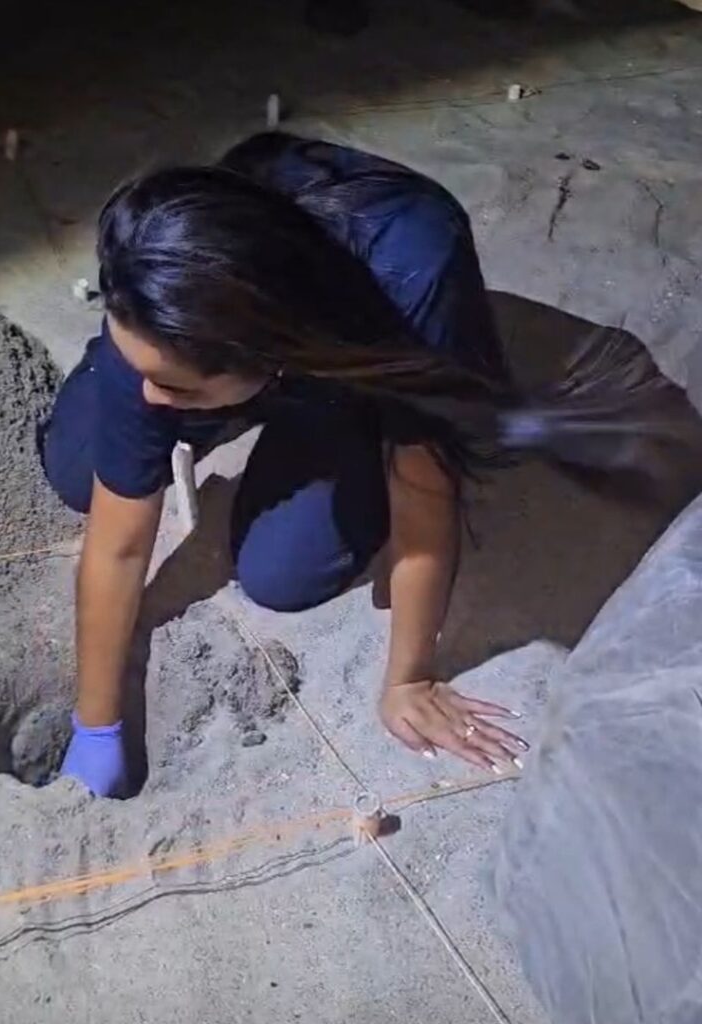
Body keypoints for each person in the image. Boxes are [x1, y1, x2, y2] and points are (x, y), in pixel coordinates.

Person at [38, 131, 664, 798]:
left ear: (268, 359)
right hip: (227, 330)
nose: (150, 401)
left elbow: (424, 486)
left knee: (282, 574)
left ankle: (338, 416)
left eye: (174, 388)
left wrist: (408, 679)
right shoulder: (169, 290)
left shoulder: (412, 275)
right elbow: (120, 546)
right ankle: (160, 363)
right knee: (75, 470)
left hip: (352, 353)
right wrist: (96, 726)